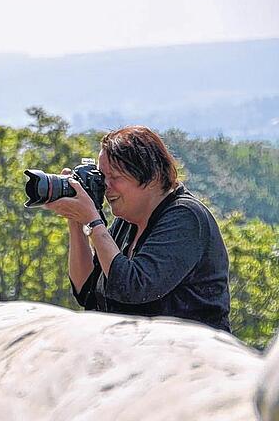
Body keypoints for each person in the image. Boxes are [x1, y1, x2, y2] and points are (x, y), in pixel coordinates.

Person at [44, 126, 231, 332]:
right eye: (102, 176)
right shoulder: (128, 219)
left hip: (192, 355)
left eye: (115, 177)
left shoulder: (185, 216)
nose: (106, 186)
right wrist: (76, 220)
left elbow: (133, 288)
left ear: (152, 177)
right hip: (140, 353)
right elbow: (86, 291)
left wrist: (94, 221)